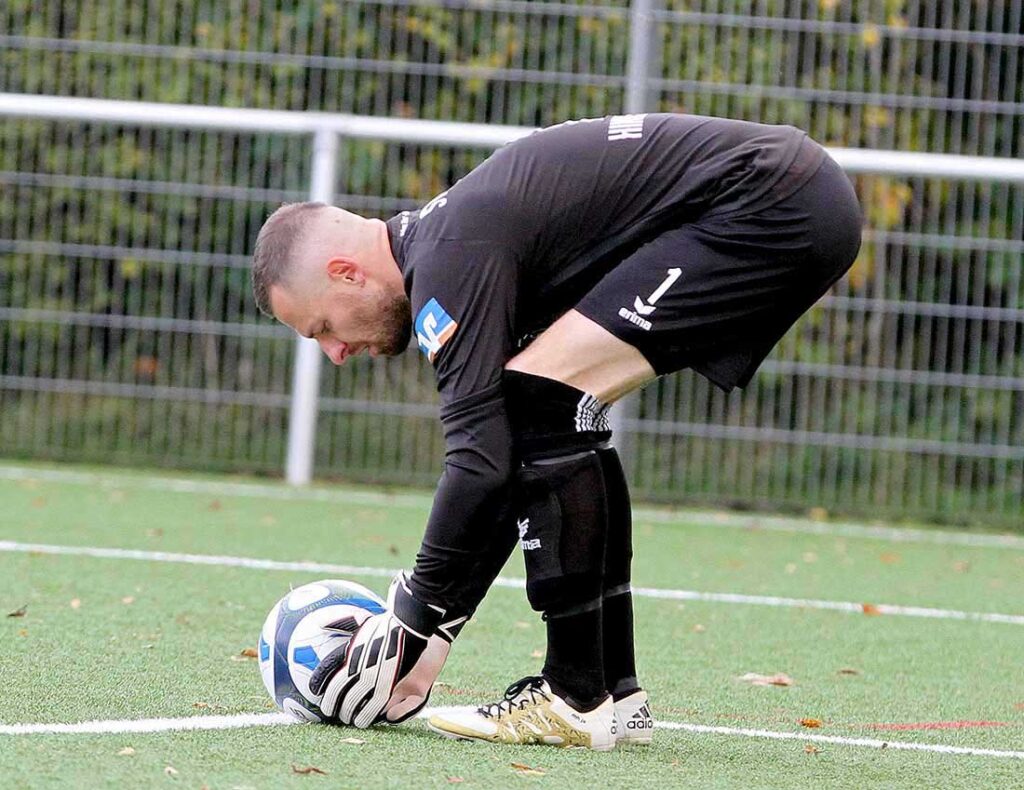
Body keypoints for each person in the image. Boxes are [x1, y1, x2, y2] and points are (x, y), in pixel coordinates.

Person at [250, 112, 862, 750]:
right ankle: (613, 694)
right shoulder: (447, 247)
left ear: (348, 273)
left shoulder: (450, 263)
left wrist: (411, 623)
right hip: (788, 193)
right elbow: (503, 457)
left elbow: (479, 464)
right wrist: (433, 631)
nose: (334, 353)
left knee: (540, 397)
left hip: (771, 202)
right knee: (552, 408)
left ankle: (574, 695)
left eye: (321, 328)